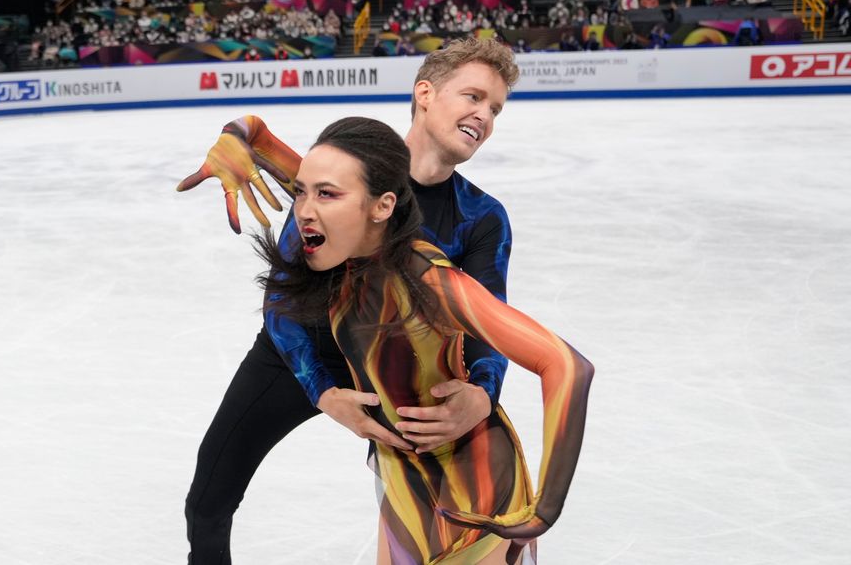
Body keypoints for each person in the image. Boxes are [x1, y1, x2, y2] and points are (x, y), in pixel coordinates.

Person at [177, 38, 520, 564]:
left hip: (396, 367)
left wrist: (483, 394)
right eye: (473, 96)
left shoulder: (481, 217)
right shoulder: (340, 171)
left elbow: (488, 328)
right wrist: (323, 391)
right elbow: (283, 294)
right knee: (208, 499)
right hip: (300, 346)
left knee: (421, 533)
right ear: (424, 93)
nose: (484, 115)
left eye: (494, 107)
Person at [253, 116, 594, 563]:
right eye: (301, 192)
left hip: (474, 486)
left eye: (326, 195)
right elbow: (316, 171)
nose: (303, 211)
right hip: (404, 481)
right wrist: (245, 135)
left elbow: (567, 365)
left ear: (382, 206)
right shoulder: (344, 247)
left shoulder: (428, 279)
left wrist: (545, 508)